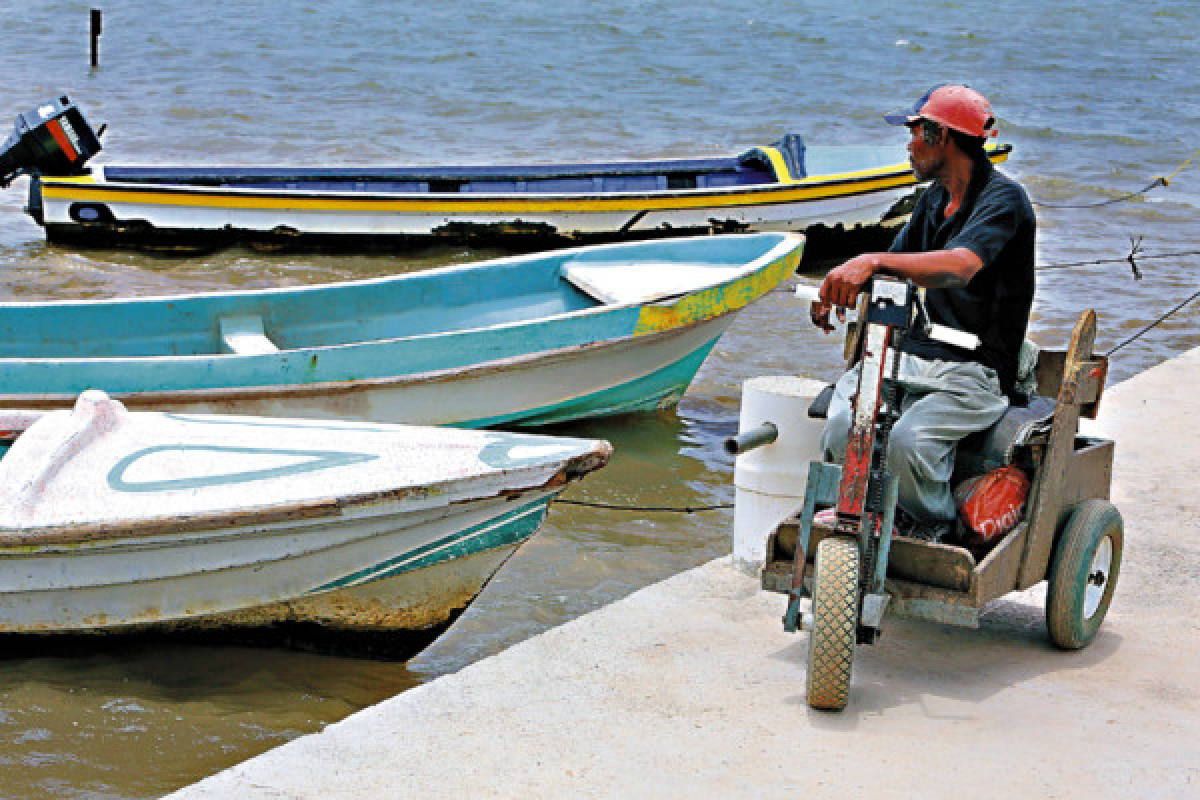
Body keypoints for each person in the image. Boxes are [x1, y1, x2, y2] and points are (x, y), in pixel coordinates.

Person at [811, 84, 1036, 542]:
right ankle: (861, 510)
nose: (908, 145)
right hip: (911, 355)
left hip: (974, 370)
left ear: (941, 136)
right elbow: (891, 272)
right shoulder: (932, 200)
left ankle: (932, 527)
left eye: (914, 133)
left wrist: (870, 260)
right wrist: (837, 287)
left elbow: (959, 266)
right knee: (840, 428)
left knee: (907, 444)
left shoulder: (1003, 200)